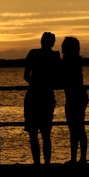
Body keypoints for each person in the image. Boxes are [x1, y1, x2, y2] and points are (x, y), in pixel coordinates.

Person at [23, 31, 61, 165]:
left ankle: (37, 163)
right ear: (52, 43)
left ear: (41, 41)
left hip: (33, 96)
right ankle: (47, 163)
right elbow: (59, 78)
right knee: (45, 134)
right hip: (46, 97)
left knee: (33, 134)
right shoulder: (54, 56)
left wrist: (35, 83)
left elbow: (26, 75)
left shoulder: (33, 53)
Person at [61, 36, 89, 165]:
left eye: (63, 45)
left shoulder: (68, 60)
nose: (61, 47)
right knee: (79, 127)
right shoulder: (77, 60)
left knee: (74, 128)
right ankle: (81, 158)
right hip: (80, 96)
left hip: (74, 97)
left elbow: (65, 77)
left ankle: (76, 158)